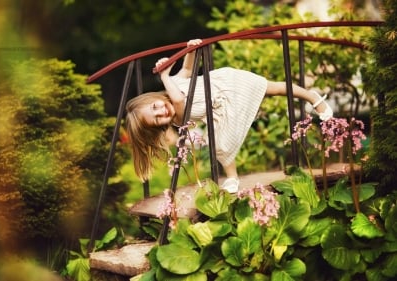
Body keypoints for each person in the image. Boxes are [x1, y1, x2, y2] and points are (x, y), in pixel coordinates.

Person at [125, 39, 333, 193]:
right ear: (159, 127)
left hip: (226, 83)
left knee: (273, 88)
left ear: (154, 98)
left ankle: (312, 97)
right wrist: (163, 76)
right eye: (157, 118)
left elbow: (188, 69)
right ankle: (232, 177)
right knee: (219, 145)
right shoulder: (179, 117)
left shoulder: (175, 82)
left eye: (155, 107)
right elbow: (179, 100)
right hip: (222, 109)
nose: (162, 112)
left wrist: (190, 49)